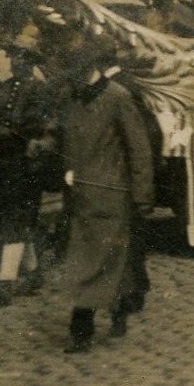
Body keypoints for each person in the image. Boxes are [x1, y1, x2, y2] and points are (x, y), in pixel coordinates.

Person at [57, 46, 156, 354]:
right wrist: (67, 169)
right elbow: (68, 140)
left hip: (113, 195)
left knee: (95, 262)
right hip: (83, 196)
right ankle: (121, 309)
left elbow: (139, 148)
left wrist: (142, 195)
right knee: (105, 260)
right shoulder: (74, 98)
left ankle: (81, 330)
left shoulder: (118, 97)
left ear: (92, 70)